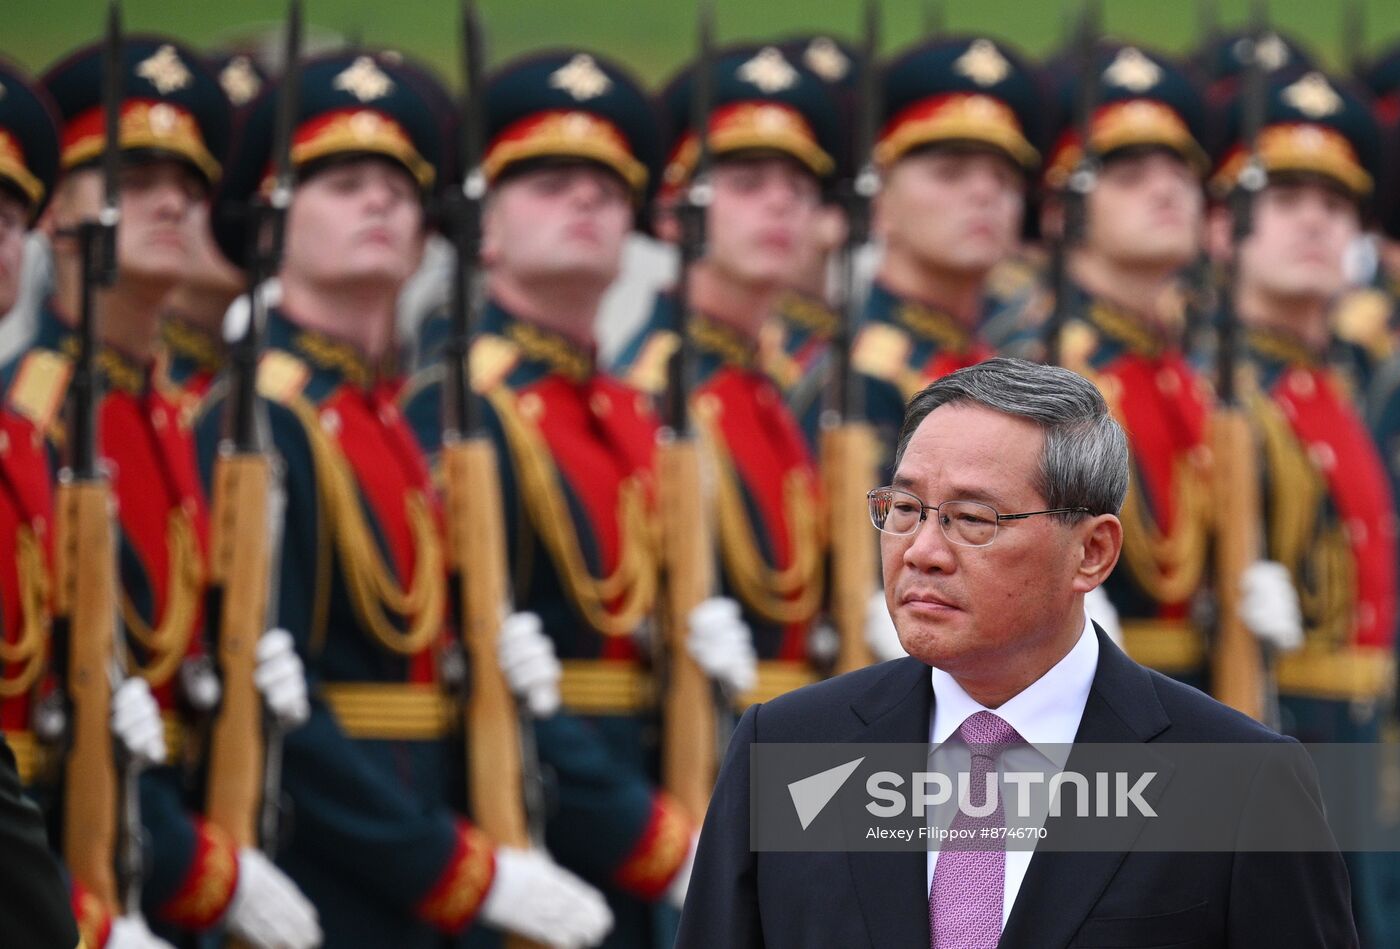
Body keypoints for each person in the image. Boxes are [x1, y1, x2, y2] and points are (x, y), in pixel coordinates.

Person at [676, 356, 1358, 948]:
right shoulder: (791, 750)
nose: (922, 552)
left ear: (1091, 552)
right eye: (905, 508)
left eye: (973, 519)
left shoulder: (1236, 781)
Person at [201, 50, 613, 948]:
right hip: (330, 876)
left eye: (398, 187)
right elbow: (275, 701)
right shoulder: (258, 420)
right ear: (272, 224)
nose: (381, 203)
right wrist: (451, 866)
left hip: (432, 869)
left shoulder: (386, 419)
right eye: (343, 184)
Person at [402, 49, 742, 948]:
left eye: (606, 186)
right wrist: (653, 836)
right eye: (549, 183)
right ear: (485, 229)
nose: (586, 202)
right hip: (545, 829)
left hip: (663, 815)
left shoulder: (633, 412)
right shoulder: (457, 407)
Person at [4, 38, 317, 948]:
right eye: (134, 176)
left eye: (188, 177)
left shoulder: (173, 416)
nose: (174, 200)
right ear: (60, 213)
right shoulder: (43, 416)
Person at [1000, 44, 1300, 683]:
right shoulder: (1038, 368)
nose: (1165, 190)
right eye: (1129, 174)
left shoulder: (1196, 377)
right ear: (1060, 210)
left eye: (1180, 172)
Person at [1211, 67, 1400, 946]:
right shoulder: (1214, 384)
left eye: (1336, 200)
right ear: (1227, 226)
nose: (1317, 219)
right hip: (1279, 725)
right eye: (1284, 196)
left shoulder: (1345, 379)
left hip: (1362, 735)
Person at [614, 44, 844, 702]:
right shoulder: (652, 386)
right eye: (746, 184)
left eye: (799, 189)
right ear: (671, 216)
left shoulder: (779, 379)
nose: (780, 206)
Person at [843, 36, 1038, 475]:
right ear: (881, 204)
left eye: (1004, 178)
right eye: (950, 174)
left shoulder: (998, 357)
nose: (985, 193)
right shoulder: (861, 378)